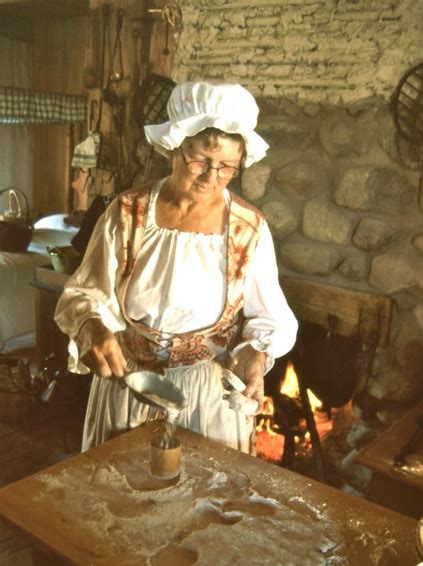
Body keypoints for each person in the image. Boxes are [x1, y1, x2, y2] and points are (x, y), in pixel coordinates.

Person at [55, 81, 298, 453]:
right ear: (174, 146)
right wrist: (92, 328)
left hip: (209, 394)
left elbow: (267, 317)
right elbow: (84, 295)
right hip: (131, 384)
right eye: (200, 161)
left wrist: (255, 353)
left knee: (208, 501)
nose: (210, 177)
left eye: (226, 167)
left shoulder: (248, 229)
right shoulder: (127, 214)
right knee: (121, 497)